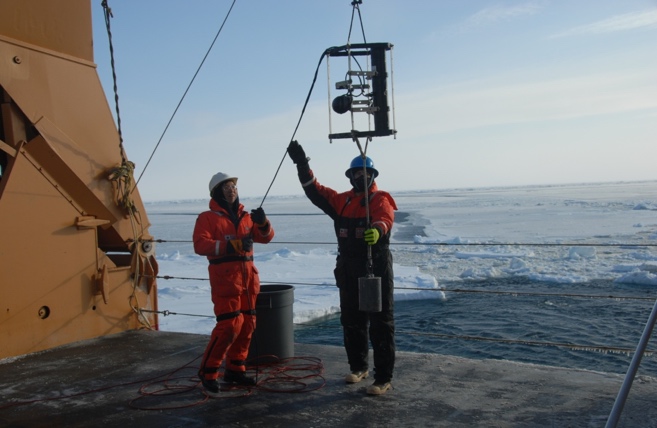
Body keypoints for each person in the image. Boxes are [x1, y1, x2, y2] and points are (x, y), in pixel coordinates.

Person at [287, 140, 397, 396]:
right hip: (348, 269)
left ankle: (383, 378)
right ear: (350, 176)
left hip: (375, 269)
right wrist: (302, 164)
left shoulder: (380, 199)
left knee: (381, 324)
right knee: (351, 321)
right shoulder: (342, 201)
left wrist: (377, 231)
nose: (362, 177)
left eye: (366, 173)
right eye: (357, 173)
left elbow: (385, 218)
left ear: (373, 176)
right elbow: (315, 191)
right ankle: (359, 367)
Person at [193, 172, 275, 396]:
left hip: (248, 281)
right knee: (229, 326)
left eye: (233, 187)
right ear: (216, 193)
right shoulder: (207, 218)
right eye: (226, 187)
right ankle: (208, 372)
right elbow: (200, 244)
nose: (231, 190)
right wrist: (232, 246)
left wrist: (263, 222)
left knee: (247, 324)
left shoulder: (247, 217)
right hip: (226, 281)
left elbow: (266, 237)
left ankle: (235, 369)